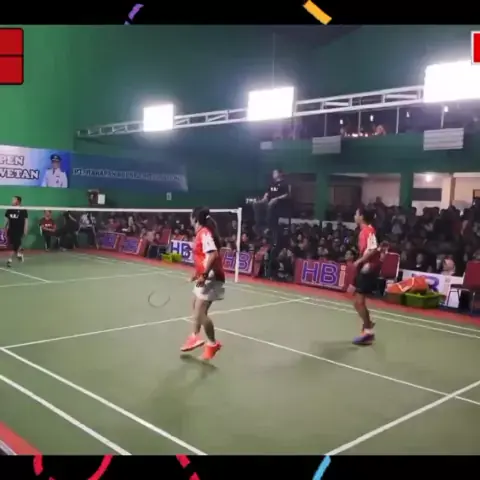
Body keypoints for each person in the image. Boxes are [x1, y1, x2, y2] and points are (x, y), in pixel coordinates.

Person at [180, 207, 224, 360]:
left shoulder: (204, 233)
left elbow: (213, 255)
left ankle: (212, 344)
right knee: (195, 303)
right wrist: (195, 275)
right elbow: (203, 258)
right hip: (205, 276)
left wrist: (204, 275)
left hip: (212, 277)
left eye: (190, 216)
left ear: (195, 218)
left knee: (200, 313)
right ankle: (195, 336)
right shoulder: (201, 233)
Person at [351, 207, 381, 346]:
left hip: (368, 269)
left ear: (361, 217)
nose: (354, 216)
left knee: (359, 302)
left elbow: (374, 249)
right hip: (365, 268)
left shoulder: (368, 230)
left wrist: (360, 261)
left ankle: (368, 331)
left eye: (356, 214)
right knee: (357, 302)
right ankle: (368, 324)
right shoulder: (364, 231)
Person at [253, 169, 290, 237]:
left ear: (280, 174)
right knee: (256, 204)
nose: (273, 174)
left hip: (279, 203)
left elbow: (286, 195)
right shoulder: (271, 183)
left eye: (275, 173)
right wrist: (263, 199)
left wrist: (276, 198)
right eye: (273, 173)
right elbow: (267, 193)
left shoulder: (284, 183)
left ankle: (267, 226)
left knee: (270, 205)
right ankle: (260, 224)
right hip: (268, 202)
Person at [4, 196, 28, 267]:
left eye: (13, 200)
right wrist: (4, 228)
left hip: (19, 230)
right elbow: (6, 219)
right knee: (14, 245)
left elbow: (26, 220)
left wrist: (25, 229)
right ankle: (19, 254)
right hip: (11, 230)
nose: (12, 201)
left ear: (18, 201)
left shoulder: (23, 210)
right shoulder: (9, 209)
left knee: (15, 246)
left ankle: (9, 260)